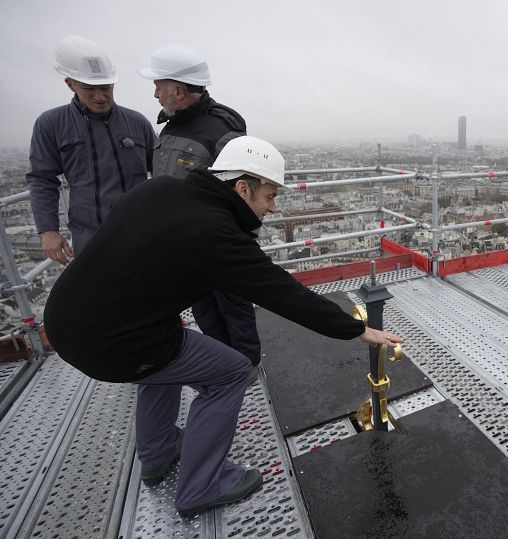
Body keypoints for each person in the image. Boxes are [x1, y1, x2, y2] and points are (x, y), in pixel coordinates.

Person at [43, 135, 401, 517]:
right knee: (230, 371)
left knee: (165, 354)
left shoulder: (160, 189)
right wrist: (355, 329)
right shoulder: (219, 237)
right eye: (269, 196)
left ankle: (158, 451)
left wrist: (154, 307)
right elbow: (283, 294)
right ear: (242, 187)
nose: (273, 208)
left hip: (66, 316)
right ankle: (201, 486)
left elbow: (128, 250)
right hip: (113, 344)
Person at [139, 44, 262, 371]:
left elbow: (242, 191)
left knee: (234, 307)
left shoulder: (220, 129)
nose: (155, 94)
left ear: (177, 90)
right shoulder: (173, 126)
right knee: (205, 309)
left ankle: (246, 367)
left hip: (216, 243)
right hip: (183, 244)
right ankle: (224, 363)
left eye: (159, 86)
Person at [27, 35, 155, 263]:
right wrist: (48, 230)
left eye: (106, 88)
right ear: (70, 84)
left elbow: (161, 171)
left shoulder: (138, 122)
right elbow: (42, 179)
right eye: (89, 88)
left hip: (142, 231)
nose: (100, 97)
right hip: (89, 237)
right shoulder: (51, 124)